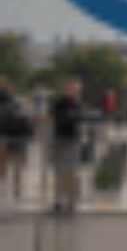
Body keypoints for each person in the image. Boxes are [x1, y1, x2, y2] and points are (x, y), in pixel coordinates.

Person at [49, 79, 86, 214]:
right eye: (71, 89)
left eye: (76, 89)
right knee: (59, 171)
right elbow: (58, 117)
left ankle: (70, 201)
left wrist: (72, 117)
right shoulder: (58, 103)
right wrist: (71, 117)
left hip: (73, 139)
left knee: (71, 171)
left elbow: (80, 118)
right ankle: (58, 200)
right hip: (60, 138)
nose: (73, 91)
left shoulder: (78, 103)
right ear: (65, 89)